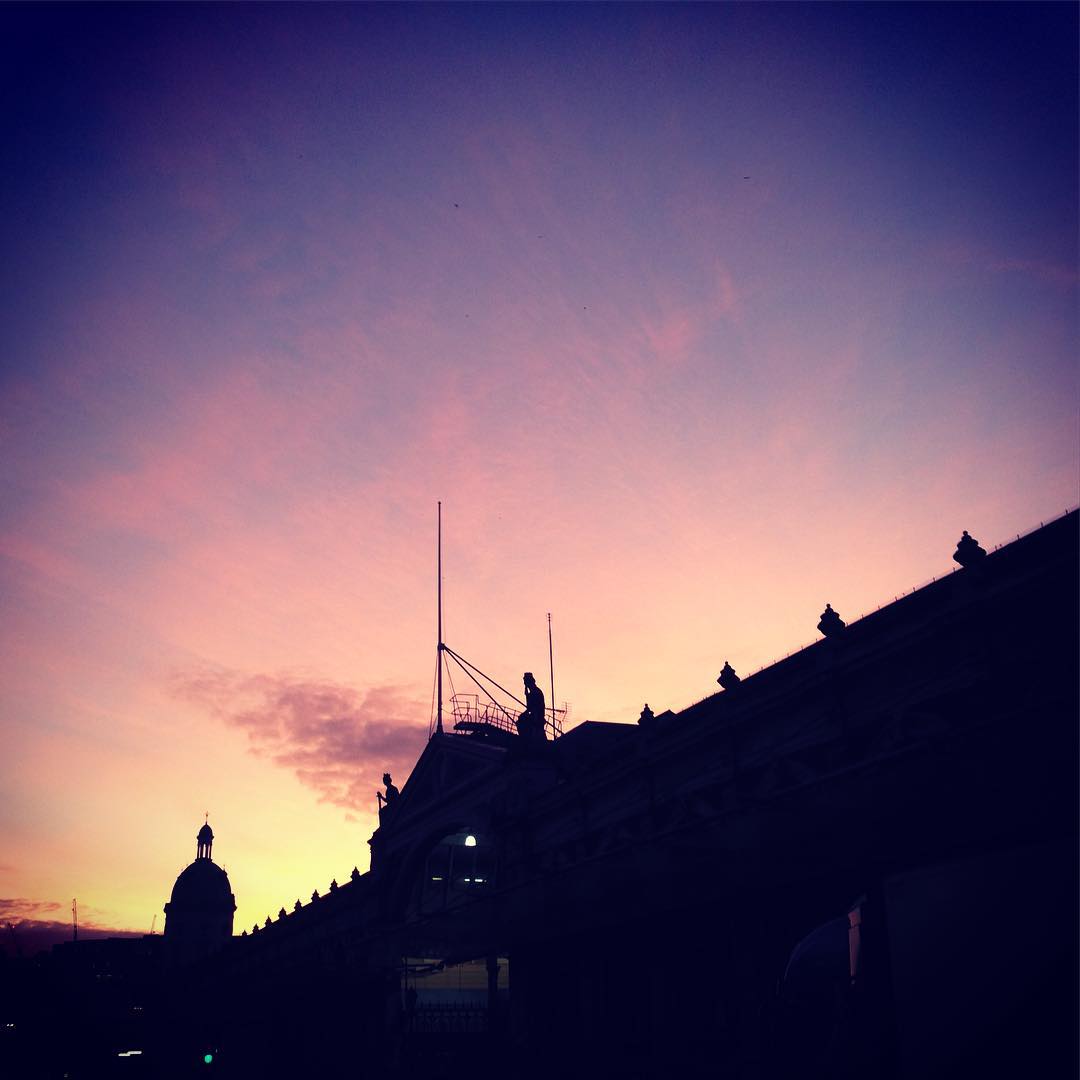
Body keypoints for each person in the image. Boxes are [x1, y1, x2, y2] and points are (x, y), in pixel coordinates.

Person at [517, 672, 546, 743]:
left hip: (537, 717)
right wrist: (527, 695)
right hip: (535, 715)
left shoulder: (536, 692)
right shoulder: (533, 692)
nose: (524, 683)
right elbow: (529, 707)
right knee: (521, 719)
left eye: (525, 681)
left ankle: (527, 738)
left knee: (521, 720)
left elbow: (531, 708)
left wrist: (527, 696)